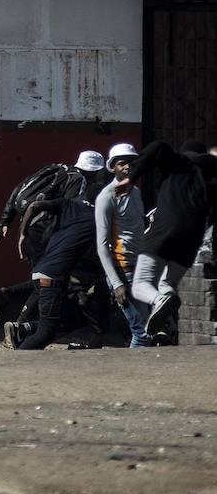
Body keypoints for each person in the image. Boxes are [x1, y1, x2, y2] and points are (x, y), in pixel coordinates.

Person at [0, 151, 107, 324]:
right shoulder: (79, 180)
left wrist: (5, 219)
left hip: (28, 227)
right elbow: (68, 210)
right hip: (45, 232)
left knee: (45, 278)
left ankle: (8, 301)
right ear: (94, 171)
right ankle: (17, 320)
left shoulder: (55, 168)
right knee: (48, 280)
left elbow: (18, 189)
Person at [127, 139, 217, 342]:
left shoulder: (180, 163)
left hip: (165, 230)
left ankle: (159, 299)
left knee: (141, 283)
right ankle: (166, 296)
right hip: (193, 238)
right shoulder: (212, 177)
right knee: (167, 282)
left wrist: (132, 176)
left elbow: (158, 147)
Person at [4, 192, 101, 350]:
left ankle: (22, 328)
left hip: (41, 272)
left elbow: (35, 205)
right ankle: (18, 360)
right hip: (52, 279)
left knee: (71, 318)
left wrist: (22, 234)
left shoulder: (69, 204)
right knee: (46, 333)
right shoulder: (96, 218)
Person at [93, 143, 150, 347]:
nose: (127, 167)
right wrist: (116, 283)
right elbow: (102, 245)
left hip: (140, 268)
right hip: (122, 269)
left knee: (145, 328)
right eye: (122, 163)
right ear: (113, 167)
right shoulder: (106, 197)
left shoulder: (135, 192)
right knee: (142, 332)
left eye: (132, 163)